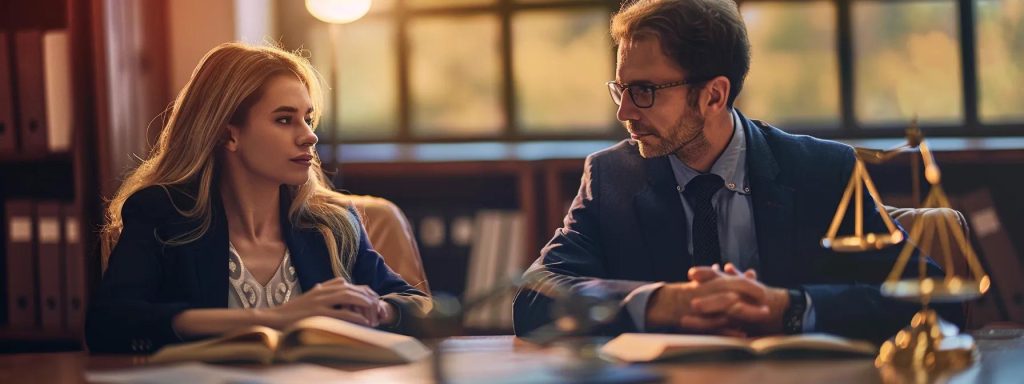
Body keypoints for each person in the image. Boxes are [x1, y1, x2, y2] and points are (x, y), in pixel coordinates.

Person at [513, 0, 961, 342]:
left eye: (644, 91)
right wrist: (657, 303)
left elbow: (936, 297)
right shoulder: (611, 176)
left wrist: (789, 308)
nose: (624, 112)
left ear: (713, 95)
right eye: (621, 89)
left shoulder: (821, 170)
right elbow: (534, 295)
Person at [86, 42, 430, 353]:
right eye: (284, 120)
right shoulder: (161, 214)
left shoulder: (333, 223)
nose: (309, 136)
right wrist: (275, 318)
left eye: (307, 119)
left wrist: (377, 309)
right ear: (229, 135)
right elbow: (110, 323)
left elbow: (418, 303)